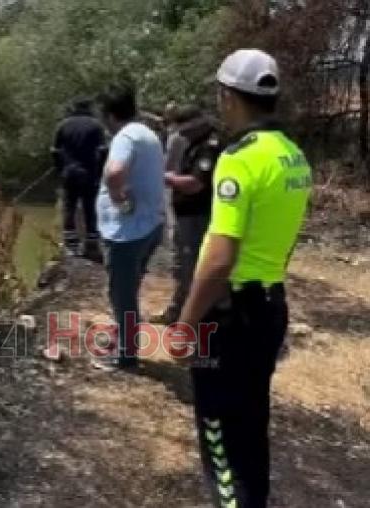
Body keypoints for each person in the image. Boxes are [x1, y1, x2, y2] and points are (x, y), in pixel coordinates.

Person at [170, 49, 312, 508]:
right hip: (271, 308)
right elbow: (285, 241)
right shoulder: (294, 158)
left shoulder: (238, 159)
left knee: (218, 428)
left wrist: (186, 325)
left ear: (228, 96)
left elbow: (218, 260)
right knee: (251, 420)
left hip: (230, 318)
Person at [96, 84, 165, 369]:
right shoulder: (147, 133)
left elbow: (114, 173)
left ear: (110, 116)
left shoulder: (124, 137)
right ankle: (123, 337)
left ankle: (126, 357)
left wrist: (118, 199)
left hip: (128, 233)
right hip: (149, 226)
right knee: (129, 288)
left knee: (121, 294)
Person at [154, 104, 223, 324]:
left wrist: (164, 177)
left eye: (184, 130)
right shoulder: (195, 142)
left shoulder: (209, 146)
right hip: (187, 215)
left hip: (197, 216)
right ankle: (179, 312)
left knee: (189, 266)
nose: (181, 135)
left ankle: (190, 318)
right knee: (182, 264)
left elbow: (195, 184)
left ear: (197, 125)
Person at [51, 97, 107, 262]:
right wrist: (100, 171)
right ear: (89, 108)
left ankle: (71, 245)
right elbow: (103, 150)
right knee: (90, 207)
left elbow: (54, 151)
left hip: (69, 173)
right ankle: (91, 244)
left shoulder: (63, 125)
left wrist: (60, 168)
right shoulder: (96, 126)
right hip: (90, 173)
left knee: (70, 207)